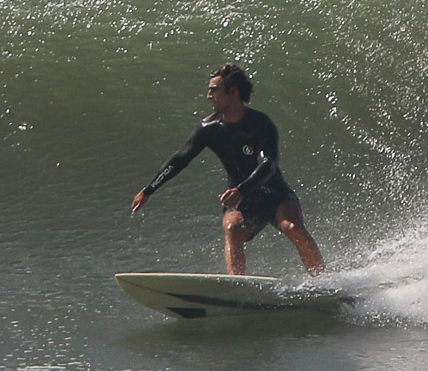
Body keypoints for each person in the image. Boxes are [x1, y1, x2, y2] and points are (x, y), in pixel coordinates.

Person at [131, 64, 325, 276]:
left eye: (214, 89)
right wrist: (148, 190)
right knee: (232, 228)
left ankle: (322, 281)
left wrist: (241, 190)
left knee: (292, 228)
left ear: (233, 92)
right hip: (241, 200)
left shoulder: (260, 124)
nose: (209, 95)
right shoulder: (208, 128)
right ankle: (237, 286)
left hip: (274, 194)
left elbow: (269, 164)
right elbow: (180, 159)